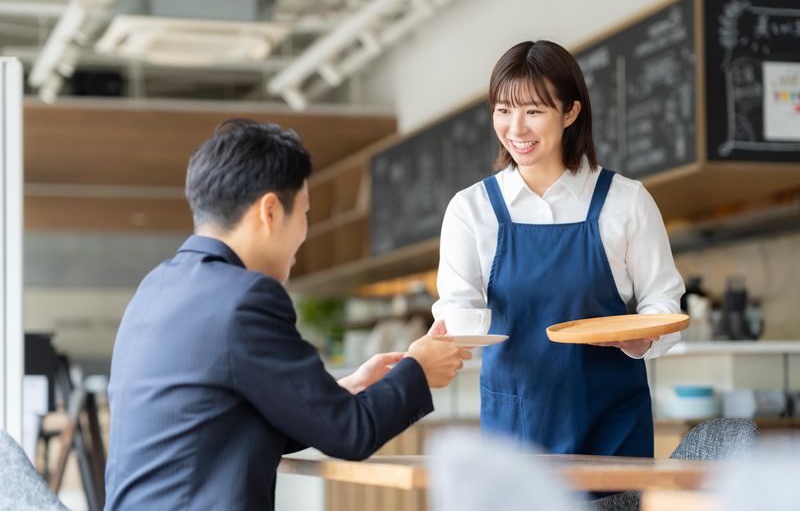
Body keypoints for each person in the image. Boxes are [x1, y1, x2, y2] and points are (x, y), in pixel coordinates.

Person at [104, 119, 472, 510]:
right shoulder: (245, 298)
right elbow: (351, 435)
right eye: (305, 213)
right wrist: (418, 369)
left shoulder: (156, 289)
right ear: (270, 211)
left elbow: (225, 423)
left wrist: (344, 392)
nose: (303, 233)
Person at [429, 41, 684, 458]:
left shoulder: (627, 201)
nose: (516, 128)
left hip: (612, 426)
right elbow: (458, 312)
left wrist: (642, 340)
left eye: (533, 111)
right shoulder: (471, 210)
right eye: (503, 110)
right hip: (515, 431)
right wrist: (449, 337)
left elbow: (664, 302)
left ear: (570, 112)